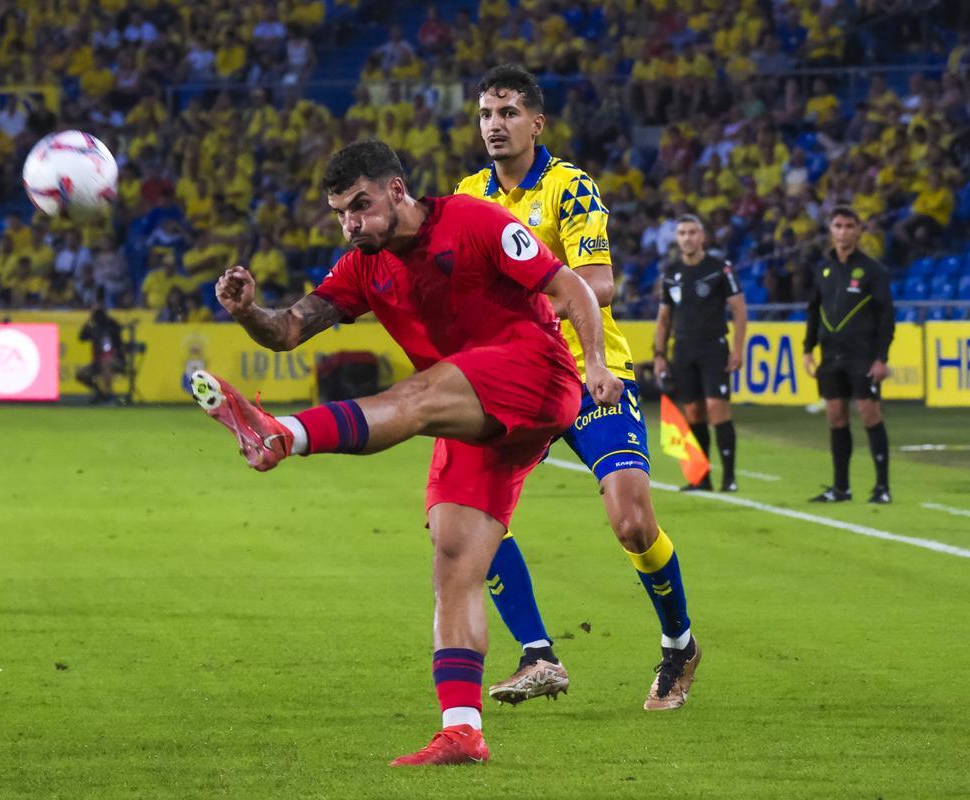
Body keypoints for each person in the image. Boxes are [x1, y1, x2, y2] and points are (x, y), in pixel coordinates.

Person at [191, 140, 622, 766]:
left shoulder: (473, 220)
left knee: (418, 393)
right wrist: (247, 311)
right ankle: (463, 730)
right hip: (472, 409)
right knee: (453, 561)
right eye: (340, 212)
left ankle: (282, 433)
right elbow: (288, 330)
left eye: (360, 206)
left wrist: (600, 366)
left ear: (396, 190)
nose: (351, 223)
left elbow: (574, 288)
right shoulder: (363, 264)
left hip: (535, 372)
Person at [454, 65, 702, 711]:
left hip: (591, 369)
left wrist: (516, 304)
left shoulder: (570, 188)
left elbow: (599, 283)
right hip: (515, 379)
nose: (494, 125)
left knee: (631, 520)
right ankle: (538, 654)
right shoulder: (468, 198)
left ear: (536, 123)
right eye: (485, 114)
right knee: (470, 515)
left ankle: (679, 644)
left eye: (507, 113)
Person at [803, 207, 895, 504]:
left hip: (863, 357)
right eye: (838, 226)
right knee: (836, 417)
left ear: (858, 231)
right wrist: (807, 349)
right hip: (830, 357)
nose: (843, 231)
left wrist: (881, 358)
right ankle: (840, 488)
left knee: (870, 414)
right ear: (831, 230)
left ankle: (882, 487)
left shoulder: (873, 270)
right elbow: (813, 311)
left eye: (848, 226)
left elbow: (886, 318)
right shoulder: (824, 269)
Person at [655, 214, 747, 492]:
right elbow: (664, 318)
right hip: (683, 348)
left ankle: (729, 477)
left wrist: (738, 349)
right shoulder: (671, 273)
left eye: (692, 232)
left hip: (713, 347)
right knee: (694, 411)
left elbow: (739, 311)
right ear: (677, 238)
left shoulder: (720, 268)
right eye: (682, 233)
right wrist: (659, 353)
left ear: (702, 236)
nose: (687, 238)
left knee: (716, 407)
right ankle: (702, 477)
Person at [76, 303, 127, 404]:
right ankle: (100, 393)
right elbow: (81, 337)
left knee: (106, 363)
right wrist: (89, 320)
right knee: (81, 374)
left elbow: (119, 331)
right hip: (97, 362)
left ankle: (109, 395)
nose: (98, 316)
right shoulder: (94, 328)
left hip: (116, 360)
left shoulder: (111, 325)